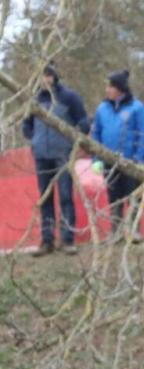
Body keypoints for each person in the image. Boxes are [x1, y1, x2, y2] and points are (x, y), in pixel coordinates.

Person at [22, 63, 89, 256]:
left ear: (55, 76)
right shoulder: (33, 100)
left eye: (48, 75)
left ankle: (67, 240)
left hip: (63, 156)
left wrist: (75, 139)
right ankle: (47, 240)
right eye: (42, 76)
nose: (45, 79)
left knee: (66, 196)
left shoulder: (69, 97)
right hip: (41, 156)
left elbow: (83, 121)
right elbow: (26, 125)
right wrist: (34, 139)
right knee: (45, 199)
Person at [91, 70, 144, 241]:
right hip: (109, 162)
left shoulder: (137, 107)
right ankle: (116, 232)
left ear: (119, 88)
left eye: (110, 86)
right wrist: (96, 159)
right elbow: (96, 134)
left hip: (130, 161)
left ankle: (134, 231)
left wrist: (138, 159)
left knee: (133, 196)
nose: (107, 90)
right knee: (114, 197)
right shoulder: (102, 108)